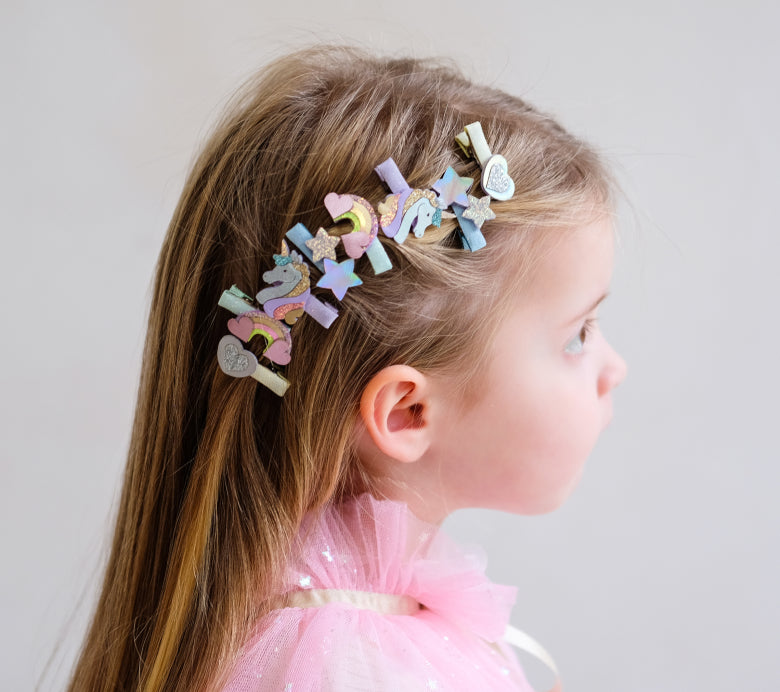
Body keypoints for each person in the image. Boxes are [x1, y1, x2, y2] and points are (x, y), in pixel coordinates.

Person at [68, 46, 626, 692]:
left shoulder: (359, 622)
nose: (614, 368)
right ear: (407, 412)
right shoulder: (355, 672)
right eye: (578, 334)